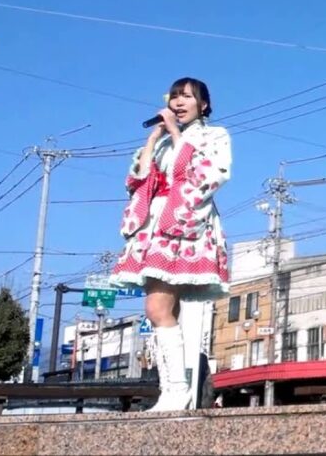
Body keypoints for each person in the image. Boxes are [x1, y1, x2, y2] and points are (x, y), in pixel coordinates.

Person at [110, 77, 231, 411]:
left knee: (156, 308)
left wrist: (176, 136)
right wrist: (154, 139)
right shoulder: (162, 139)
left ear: (204, 105)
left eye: (187, 97)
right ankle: (170, 390)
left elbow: (207, 174)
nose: (179, 102)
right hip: (156, 221)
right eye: (175, 96)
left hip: (185, 221)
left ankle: (177, 390)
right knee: (165, 309)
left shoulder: (214, 136)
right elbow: (136, 180)